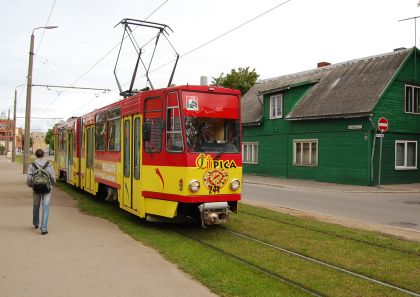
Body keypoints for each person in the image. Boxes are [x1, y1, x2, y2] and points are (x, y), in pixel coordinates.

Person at [27, 149, 56, 235]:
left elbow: (29, 179)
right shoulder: (49, 164)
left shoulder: (32, 165)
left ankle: (36, 223)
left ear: (36, 155)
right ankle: (43, 229)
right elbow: (53, 178)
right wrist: (51, 185)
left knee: (36, 206)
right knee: (45, 207)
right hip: (47, 189)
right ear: (43, 155)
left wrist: (32, 186)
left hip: (36, 188)